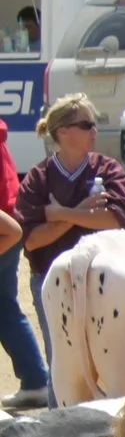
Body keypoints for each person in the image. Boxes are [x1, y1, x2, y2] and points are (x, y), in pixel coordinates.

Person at [19, 95, 125, 380]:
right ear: (62, 132)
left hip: (104, 279)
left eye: (94, 124)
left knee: (107, 362)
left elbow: (113, 220)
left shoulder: (107, 169)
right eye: (86, 125)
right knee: (61, 365)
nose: (94, 131)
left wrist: (61, 213)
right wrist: (82, 213)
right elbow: (32, 240)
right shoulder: (39, 177)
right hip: (51, 278)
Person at [0, 135, 46, 410]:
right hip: (9, 222)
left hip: (6, 228)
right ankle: (35, 380)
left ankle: (36, 380)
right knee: (6, 308)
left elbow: (13, 231)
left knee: (5, 308)